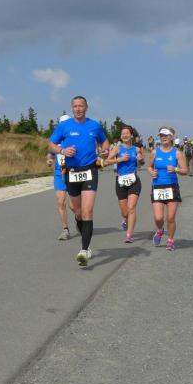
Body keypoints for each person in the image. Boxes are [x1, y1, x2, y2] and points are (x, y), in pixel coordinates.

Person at [49, 95, 110, 266]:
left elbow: (105, 142)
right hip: (71, 172)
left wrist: (105, 150)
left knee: (87, 211)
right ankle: (81, 230)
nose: (78, 109)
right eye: (75, 106)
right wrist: (62, 151)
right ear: (72, 108)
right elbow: (51, 144)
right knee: (78, 212)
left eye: (81, 106)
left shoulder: (94, 125)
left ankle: (84, 250)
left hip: (90, 170)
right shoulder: (64, 126)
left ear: (86, 107)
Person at [148, 127, 187, 251]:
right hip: (157, 186)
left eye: (166, 135)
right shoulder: (155, 152)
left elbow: (185, 170)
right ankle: (160, 230)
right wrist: (151, 172)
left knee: (170, 218)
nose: (163, 137)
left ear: (172, 137)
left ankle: (170, 241)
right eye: (161, 135)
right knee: (159, 218)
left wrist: (175, 169)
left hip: (172, 187)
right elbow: (149, 166)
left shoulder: (177, 153)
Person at [106, 125, 143, 243]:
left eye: (127, 133)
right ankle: (125, 219)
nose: (125, 135)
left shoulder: (136, 149)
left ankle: (129, 234)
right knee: (125, 212)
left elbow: (142, 163)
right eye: (123, 134)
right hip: (120, 181)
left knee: (131, 208)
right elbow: (106, 161)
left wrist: (140, 159)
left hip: (134, 181)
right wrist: (119, 160)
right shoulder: (117, 148)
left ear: (131, 135)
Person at [46, 114, 72, 241]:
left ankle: (79, 220)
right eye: (62, 124)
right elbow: (50, 153)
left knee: (74, 207)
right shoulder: (55, 139)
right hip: (59, 174)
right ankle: (65, 229)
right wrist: (49, 160)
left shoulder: (73, 138)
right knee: (61, 202)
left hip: (72, 173)